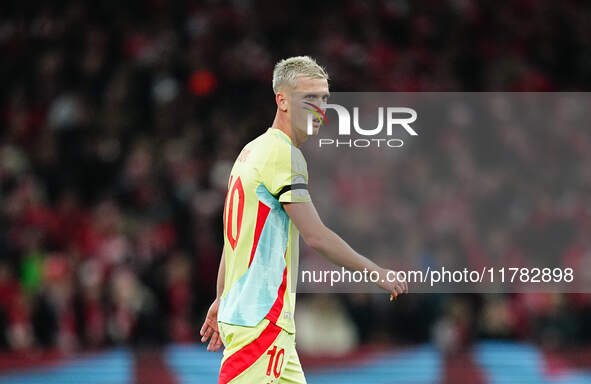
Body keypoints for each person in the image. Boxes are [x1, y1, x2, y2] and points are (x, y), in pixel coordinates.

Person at [200, 56, 408, 384]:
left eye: (324, 98)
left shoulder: (250, 152)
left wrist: (222, 298)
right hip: (260, 323)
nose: (320, 107)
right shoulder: (285, 155)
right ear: (282, 100)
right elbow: (316, 236)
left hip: (262, 322)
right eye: (308, 98)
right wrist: (376, 271)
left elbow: (233, 240)